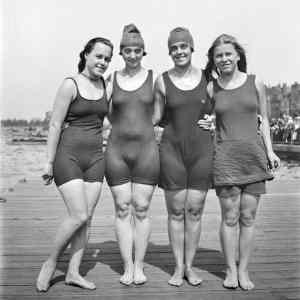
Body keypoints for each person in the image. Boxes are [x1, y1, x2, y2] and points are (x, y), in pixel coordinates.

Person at [199, 34, 280, 290]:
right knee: (229, 217)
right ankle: (230, 271)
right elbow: (207, 118)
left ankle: (243, 270)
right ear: (214, 60)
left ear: (237, 56)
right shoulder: (212, 88)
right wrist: (207, 122)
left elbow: (264, 119)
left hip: (254, 158)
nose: (223, 59)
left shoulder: (255, 83)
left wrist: (271, 152)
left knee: (248, 217)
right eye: (218, 55)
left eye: (228, 54)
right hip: (225, 159)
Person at [36, 37, 113, 292]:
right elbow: (55, 124)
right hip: (67, 157)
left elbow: (111, 120)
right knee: (78, 214)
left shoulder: (106, 86)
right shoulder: (70, 84)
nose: (103, 62)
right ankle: (50, 263)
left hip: (95, 159)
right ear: (87, 55)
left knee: (87, 218)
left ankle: (73, 273)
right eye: (99, 56)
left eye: (107, 59)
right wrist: (48, 162)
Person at [153, 27, 214, 287]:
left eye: (183, 47)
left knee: (195, 211)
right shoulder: (162, 81)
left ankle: (190, 266)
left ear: (192, 48)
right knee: (176, 212)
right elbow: (154, 118)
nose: (179, 51)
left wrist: (216, 120)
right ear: (170, 52)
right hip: (171, 151)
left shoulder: (209, 79)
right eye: (174, 48)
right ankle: (178, 268)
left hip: (201, 152)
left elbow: (223, 109)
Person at [105, 24, 159, 285]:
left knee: (142, 208)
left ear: (143, 52)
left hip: (146, 151)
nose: (133, 55)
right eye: (128, 50)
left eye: (138, 51)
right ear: (121, 52)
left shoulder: (153, 77)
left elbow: (160, 112)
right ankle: (127, 266)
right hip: (117, 151)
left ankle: (140, 266)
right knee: (122, 208)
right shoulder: (112, 79)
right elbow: (104, 110)